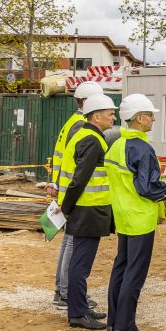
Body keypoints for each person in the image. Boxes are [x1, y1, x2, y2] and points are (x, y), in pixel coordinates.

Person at [104, 94, 166, 331]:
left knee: (121, 269)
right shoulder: (142, 149)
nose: (153, 119)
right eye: (150, 115)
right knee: (135, 272)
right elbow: (147, 188)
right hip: (140, 218)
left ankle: (114, 323)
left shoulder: (117, 145)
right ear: (140, 118)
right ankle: (125, 325)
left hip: (123, 216)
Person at [58, 93, 116, 330]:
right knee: (80, 265)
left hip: (85, 209)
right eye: (110, 113)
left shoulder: (85, 135)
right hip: (87, 210)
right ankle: (78, 314)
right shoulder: (92, 140)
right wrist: (67, 208)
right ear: (96, 116)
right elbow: (80, 179)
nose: (114, 117)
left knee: (80, 264)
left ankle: (80, 308)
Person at [49, 80, 104, 310]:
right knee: (72, 244)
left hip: (66, 190)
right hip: (75, 193)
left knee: (68, 242)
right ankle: (66, 293)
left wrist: (55, 184)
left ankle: (62, 291)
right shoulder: (81, 125)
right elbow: (78, 165)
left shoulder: (72, 122)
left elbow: (61, 156)